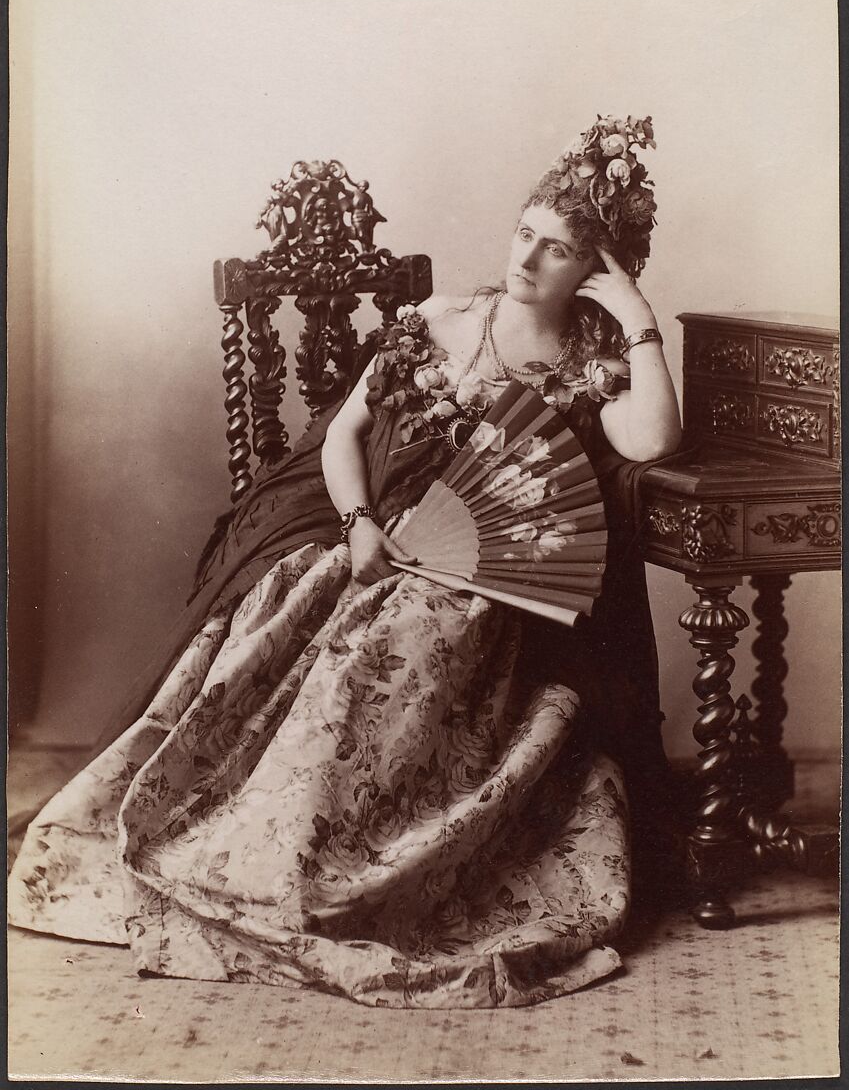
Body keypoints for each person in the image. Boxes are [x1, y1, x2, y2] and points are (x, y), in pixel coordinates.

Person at [8, 115, 683, 1009]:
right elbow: (345, 434)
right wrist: (360, 525)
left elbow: (653, 439)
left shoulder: (590, 360)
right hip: (382, 531)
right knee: (311, 604)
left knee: (428, 634)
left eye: (557, 250)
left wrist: (638, 322)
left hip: (485, 586)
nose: (526, 258)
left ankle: (339, 858)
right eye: (524, 232)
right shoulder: (441, 319)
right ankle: (261, 837)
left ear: (595, 268)